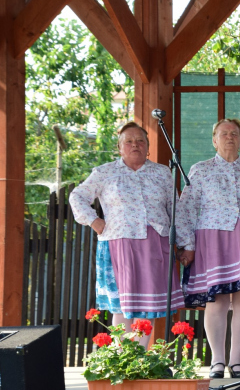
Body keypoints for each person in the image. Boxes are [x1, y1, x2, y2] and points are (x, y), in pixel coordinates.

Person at [176, 118, 240, 380]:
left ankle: (237, 361)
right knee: (216, 299)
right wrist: (187, 244)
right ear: (214, 140)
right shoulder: (200, 170)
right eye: (223, 133)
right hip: (213, 240)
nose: (229, 137)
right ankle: (217, 361)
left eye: (234, 133)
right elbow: (185, 210)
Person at [70, 122, 183, 347]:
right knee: (122, 305)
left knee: (147, 307)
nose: (135, 145)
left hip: (155, 244)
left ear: (147, 147)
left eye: (140, 141)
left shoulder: (161, 172)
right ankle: (123, 360)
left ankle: (139, 361)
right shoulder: (105, 172)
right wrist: (94, 220)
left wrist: (184, 243)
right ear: (120, 148)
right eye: (129, 141)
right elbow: (77, 196)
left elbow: (176, 209)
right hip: (117, 244)